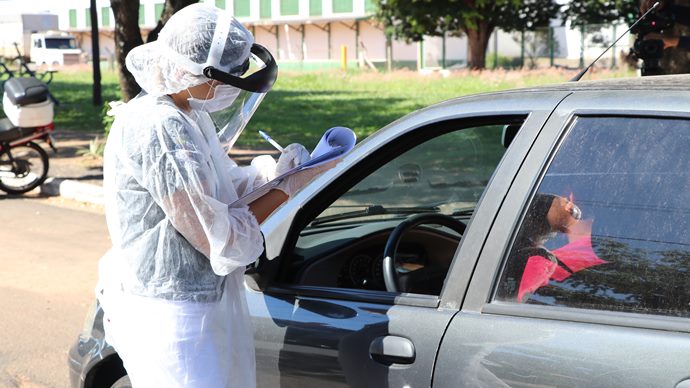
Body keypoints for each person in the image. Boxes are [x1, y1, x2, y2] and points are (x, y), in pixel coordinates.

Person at [95, 4, 335, 387]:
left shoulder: (185, 112)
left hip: (197, 307)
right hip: (173, 317)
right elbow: (217, 235)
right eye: (229, 79)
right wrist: (288, 189)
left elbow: (216, 189)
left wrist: (275, 174)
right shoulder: (159, 127)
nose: (228, 89)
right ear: (194, 70)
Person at [498, 193, 606, 303]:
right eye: (567, 201)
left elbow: (505, 301)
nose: (570, 205)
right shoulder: (516, 243)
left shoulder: (540, 261)